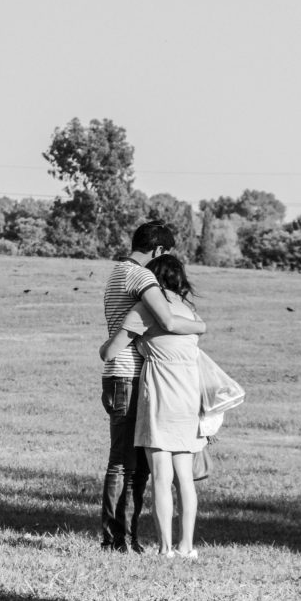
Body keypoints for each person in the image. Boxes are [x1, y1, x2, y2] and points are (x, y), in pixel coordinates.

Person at [99, 222, 206, 553]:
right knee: (125, 463)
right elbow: (168, 321)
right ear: (158, 251)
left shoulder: (118, 271)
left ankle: (127, 538)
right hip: (130, 375)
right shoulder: (142, 277)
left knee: (139, 465)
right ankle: (116, 539)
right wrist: (201, 325)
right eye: (165, 256)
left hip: (126, 376)